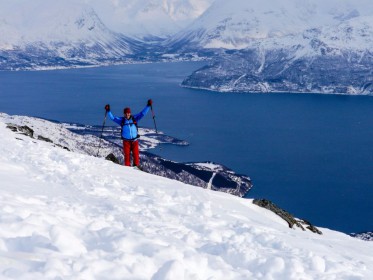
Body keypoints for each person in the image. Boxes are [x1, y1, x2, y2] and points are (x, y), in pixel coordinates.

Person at [105, 99, 152, 167]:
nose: (127, 114)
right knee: (127, 156)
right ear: (124, 114)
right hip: (126, 141)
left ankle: (136, 167)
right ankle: (127, 168)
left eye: (128, 113)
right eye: (126, 113)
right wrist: (108, 111)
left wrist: (148, 105)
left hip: (134, 141)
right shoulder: (122, 120)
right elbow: (113, 118)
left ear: (130, 113)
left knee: (136, 155)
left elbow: (142, 113)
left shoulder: (134, 118)